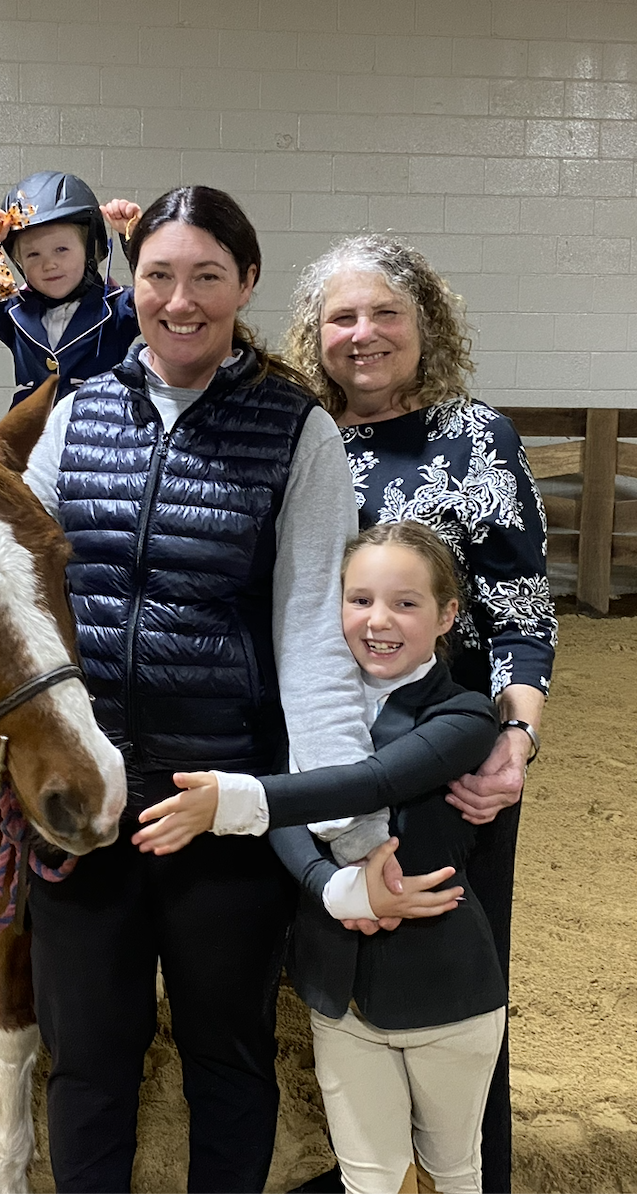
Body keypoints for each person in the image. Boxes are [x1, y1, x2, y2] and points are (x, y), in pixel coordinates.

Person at [21, 185, 375, 1193]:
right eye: (158, 276)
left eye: (206, 277)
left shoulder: (295, 433)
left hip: (224, 800)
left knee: (226, 1054)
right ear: (127, 283)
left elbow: (312, 628)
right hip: (84, 800)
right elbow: (21, 600)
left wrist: (347, 822)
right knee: (86, 1058)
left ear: (245, 284)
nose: (179, 301)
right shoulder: (74, 415)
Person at [284, 234, 555, 1194]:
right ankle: (360, 1162)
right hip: (325, 741)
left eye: (385, 312)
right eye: (342, 318)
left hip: (454, 753)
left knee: (461, 961)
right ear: (316, 337)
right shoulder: (296, 434)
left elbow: (521, 611)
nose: (364, 335)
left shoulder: (478, 437)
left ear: (425, 322)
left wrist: (514, 741)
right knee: (335, 949)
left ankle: (473, 1167)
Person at [134, 521, 507, 1194]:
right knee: (368, 1178)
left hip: (447, 991)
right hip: (338, 991)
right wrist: (334, 891)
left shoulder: (465, 717)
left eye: (406, 602)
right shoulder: (304, 710)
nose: (378, 621)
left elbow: (373, 782)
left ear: (448, 614)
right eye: (359, 599)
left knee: (455, 1172)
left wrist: (237, 800)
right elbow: (291, 824)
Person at [0, 169, 140, 405]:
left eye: (61, 249)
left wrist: (135, 240)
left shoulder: (117, 308)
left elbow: (158, 294)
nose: (49, 264)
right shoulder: (15, 312)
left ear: (90, 249)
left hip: (99, 433)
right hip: (31, 437)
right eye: (33, 254)